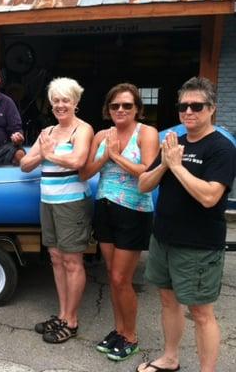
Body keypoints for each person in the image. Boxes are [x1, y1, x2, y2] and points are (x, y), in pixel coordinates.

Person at [137, 77, 236, 372]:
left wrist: (177, 167)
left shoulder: (221, 148)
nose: (189, 111)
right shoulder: (174, 143)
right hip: (164, 238)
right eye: (183, 106)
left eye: (197, 105)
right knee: (167, 301)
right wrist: (166, 164)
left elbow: (209, 196)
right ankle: (170, 358)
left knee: (201, 312)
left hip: (198, 245)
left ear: (212, 109)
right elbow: (143, 183)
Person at [81, 83, 159, 361]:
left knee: (120, 278)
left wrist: (115, 155)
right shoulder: (101, 134)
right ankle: (119, 330)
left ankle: (132, 336)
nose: (121, 110)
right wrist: (104, 154)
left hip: (134, 211)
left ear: (137, 108)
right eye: (115, 106)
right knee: (114, 279)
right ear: (108, 109)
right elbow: (84, 172)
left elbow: (148, 172)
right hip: (104, 208)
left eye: (127, 105)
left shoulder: (146, 133)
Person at [20, 77, 93, 344]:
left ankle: (72, 321)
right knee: (56, 258)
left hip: (71, 204)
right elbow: (25, 165)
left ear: (75, 102)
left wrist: (48, 155)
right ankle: (62, 314)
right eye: (56, 101)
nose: (60, 105)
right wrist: (43, 153)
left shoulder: (82, 129)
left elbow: (78, 160)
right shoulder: (47, 132)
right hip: (48, 201)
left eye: (65, 100)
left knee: (73, 262)